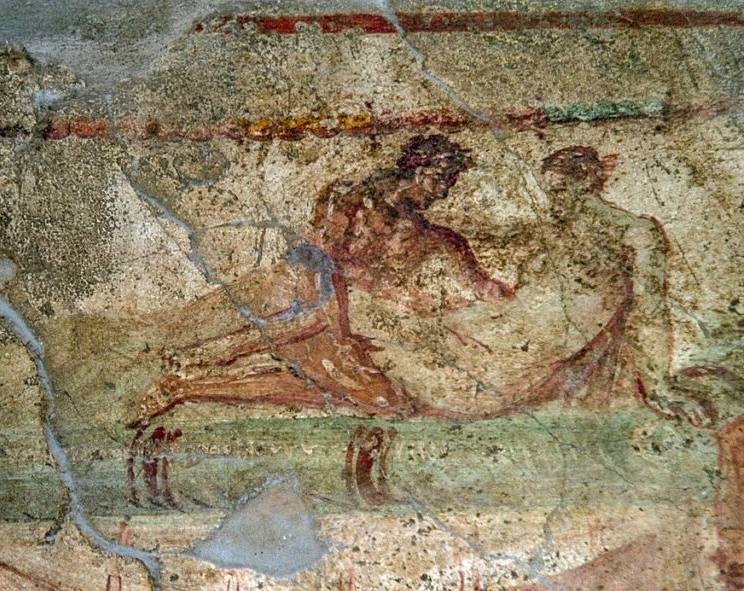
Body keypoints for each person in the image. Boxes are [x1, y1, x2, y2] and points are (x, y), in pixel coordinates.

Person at [128, 137, 708, 435]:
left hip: (372, 320)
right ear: (420, 169)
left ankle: (194, 380)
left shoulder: (437, 236)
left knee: (357, 385)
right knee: (325, 354)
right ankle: (197, 370)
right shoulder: (352, 200)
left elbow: (481, 280)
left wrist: (467, 297)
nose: (443, 192)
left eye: (448, 184)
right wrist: (341, 302)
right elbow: (316, 258)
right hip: (324, 302)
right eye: (440, 180)